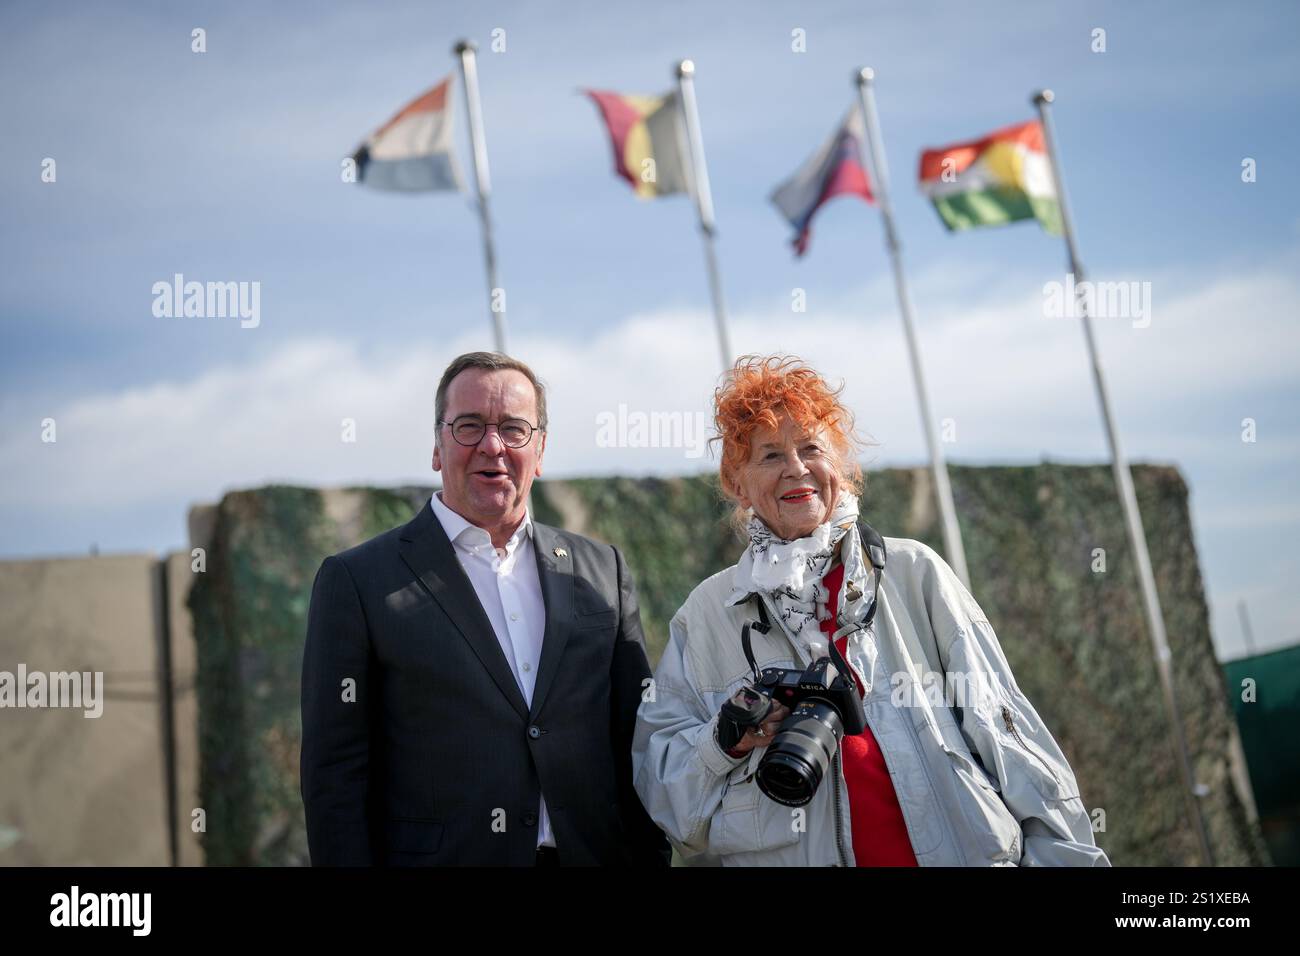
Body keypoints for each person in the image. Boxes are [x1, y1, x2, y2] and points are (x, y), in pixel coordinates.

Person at [631, 355, 1110, 867]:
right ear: (737, 482)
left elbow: (1012, 741)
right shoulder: (707, 614)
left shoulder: (914, 574)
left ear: (841, 465)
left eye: (811, 447)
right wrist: (724, 740)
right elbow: (669, 805)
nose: (796, 467)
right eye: (769, 455)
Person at [301, 351, 669, 867]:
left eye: (514, 429)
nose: (492, 446)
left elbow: (639, 743)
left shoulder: (601, 570)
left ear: (539, 451)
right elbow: (333, 775)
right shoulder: (359, 581)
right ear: (437, 444)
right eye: (469, 425)